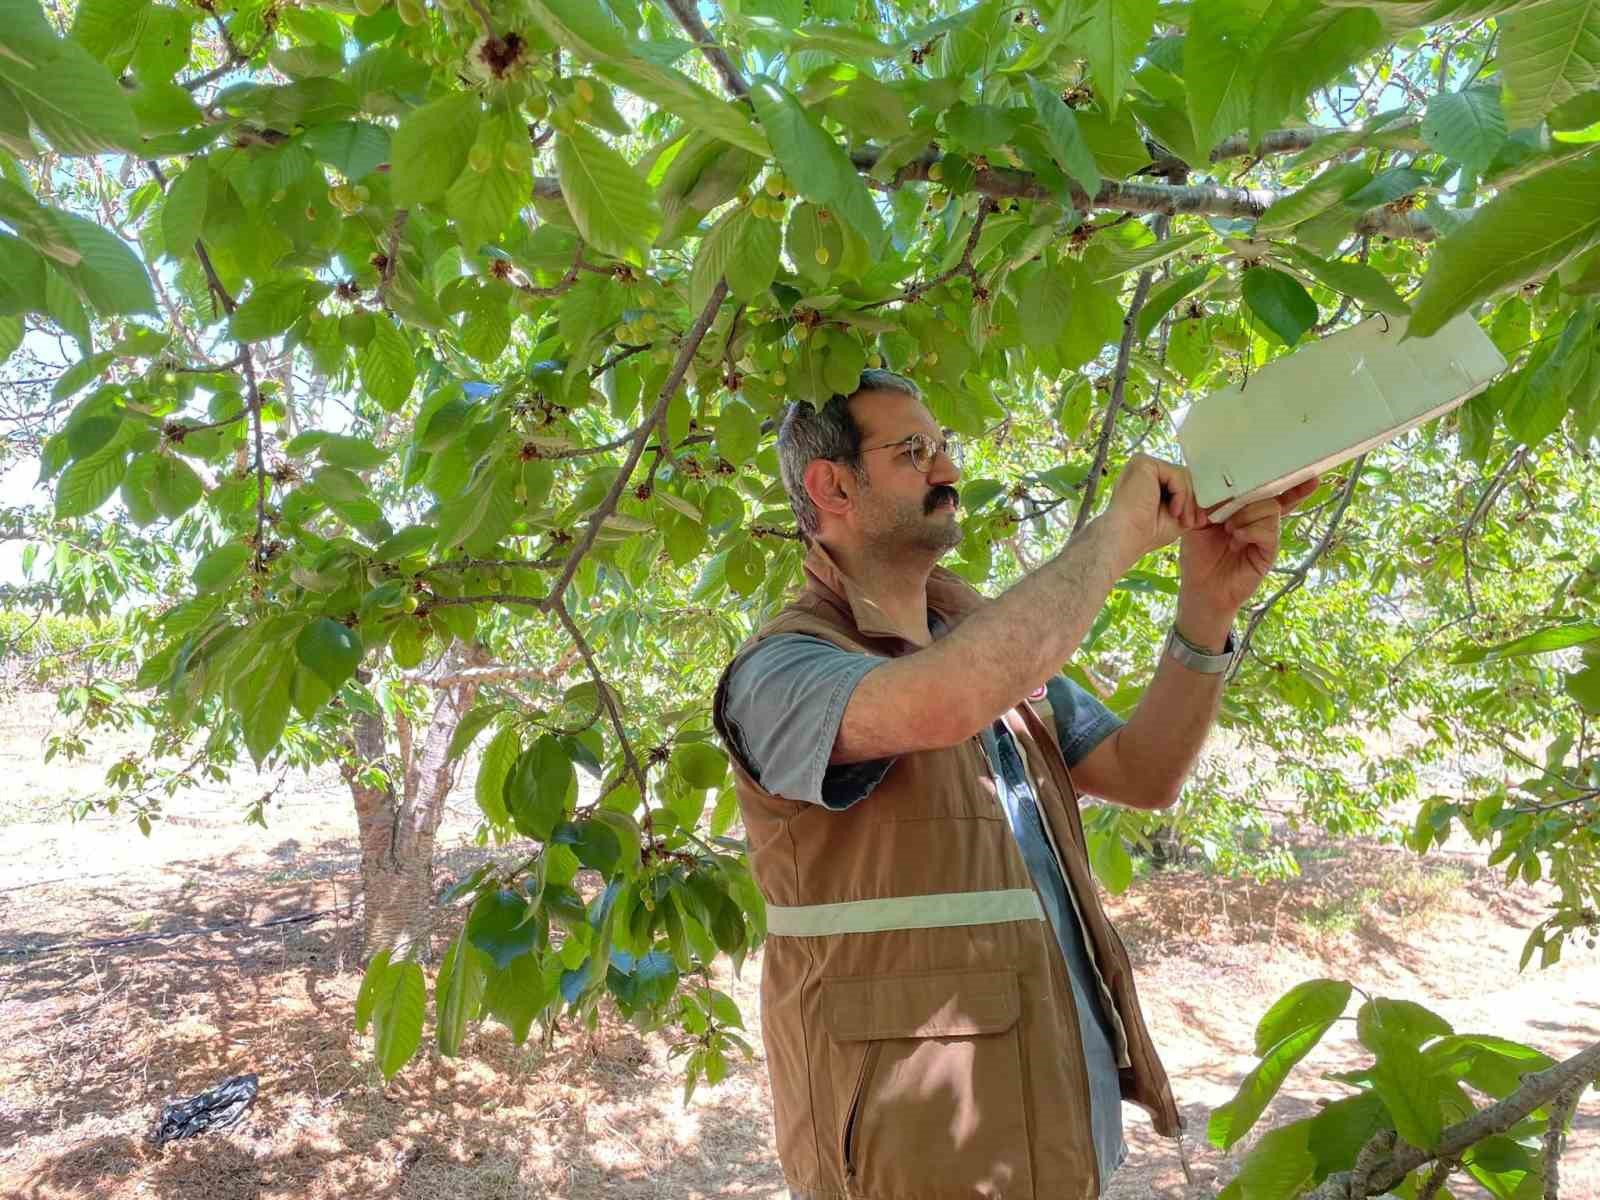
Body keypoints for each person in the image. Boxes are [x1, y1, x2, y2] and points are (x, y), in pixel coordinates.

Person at [711, 370, 1318, 1200]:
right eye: (915, 450)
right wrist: (1118, 532)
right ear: (834, 485)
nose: (949, 470)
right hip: (915, 1163)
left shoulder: (981, 646)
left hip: (1055, 1137)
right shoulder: (784, 667)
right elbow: (945, 702)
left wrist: (1205, 606)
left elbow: (1144, 773)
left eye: (945, 445)